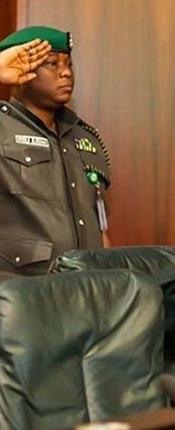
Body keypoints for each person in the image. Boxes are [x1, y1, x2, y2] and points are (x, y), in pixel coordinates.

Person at [0, 26, 111, 277]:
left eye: (69, 64)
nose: (66, 73)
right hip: (21, 296)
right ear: (21, 69)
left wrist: (109, 285)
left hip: (85, 292)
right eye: (52, 63)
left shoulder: (86, 139)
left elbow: (101, 224)